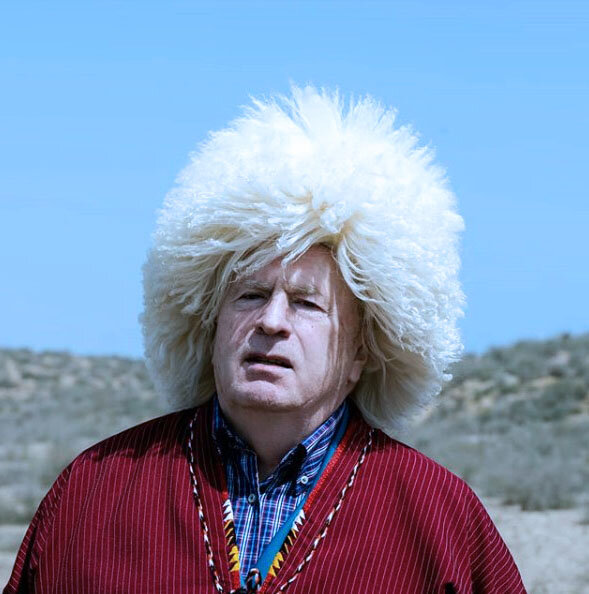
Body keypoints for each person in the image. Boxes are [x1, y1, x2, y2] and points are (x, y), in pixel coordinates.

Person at [4, 86, 526, 593]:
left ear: (362, 352)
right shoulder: (93, 492)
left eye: (306, 303)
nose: (272, 321)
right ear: (208, 322)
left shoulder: (441, 519)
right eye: (250, 295)